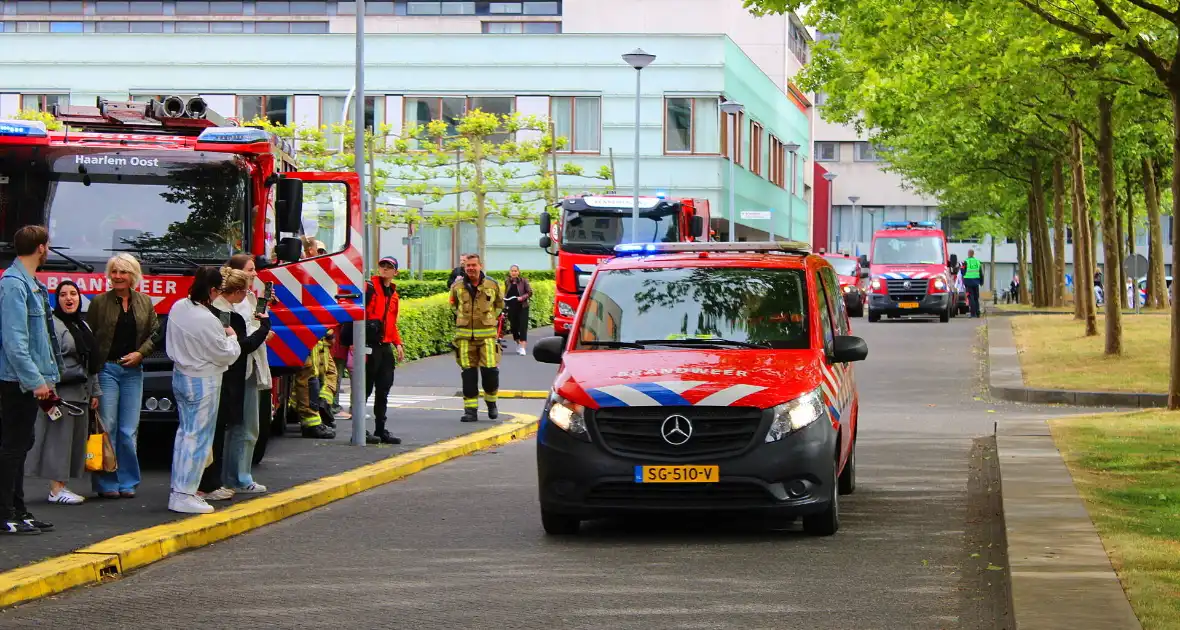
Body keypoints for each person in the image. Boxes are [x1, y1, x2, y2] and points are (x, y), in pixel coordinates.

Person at [166, 266, 241, 514]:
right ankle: (185, 493)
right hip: (204, 380)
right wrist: (232, 337)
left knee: (184, 434)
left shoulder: (179, 307)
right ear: (211, 290)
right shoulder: (206, 319)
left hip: (181, 375)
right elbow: (226, 353)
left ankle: (180, 488)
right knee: (198, 438)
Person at [0, 225, 60, 534]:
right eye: (47, 245)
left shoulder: (32, 284)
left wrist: (44, 379)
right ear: (40, 247)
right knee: (12, 446)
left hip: (28, 378)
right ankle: (5, 513)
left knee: (22, 444)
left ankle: (18, 509)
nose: (48, 249)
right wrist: (36, 381)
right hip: (15, 380)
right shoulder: (13, 284)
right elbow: (14, 342)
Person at [86, 254, 160, 499]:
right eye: (114, 271)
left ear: (133, 276)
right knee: (108, 427)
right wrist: (92, 377)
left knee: (128, 430)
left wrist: (141, 353)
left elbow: (155, 334)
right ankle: (107, 483)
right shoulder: (99, 302)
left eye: (123, 272)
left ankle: (128, 481)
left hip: (132, 372)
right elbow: (91, 339)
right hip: (107, 370)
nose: (117, 276)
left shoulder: (145, 302)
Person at [199, 268, 271, 502]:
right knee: (217, 432)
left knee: (215, 432)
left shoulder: (211, 309)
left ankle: (212, 482)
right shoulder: (226, 315)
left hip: (216, 376)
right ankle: (209, 484)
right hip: (226, 379)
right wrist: (264, 328)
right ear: (237, 292)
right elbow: (242, 347)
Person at [26, 281, 101, 505]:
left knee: (73, 442)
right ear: (56, 300)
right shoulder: (53, 326)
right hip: (63, 394)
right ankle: (56, 489)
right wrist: (51, 395)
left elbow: (91, 362)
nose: (69, 298)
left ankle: (62, 485)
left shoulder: (82, 325)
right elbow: (46, 360)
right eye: (63, 295)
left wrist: (95, 391)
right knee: (58, 441)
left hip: (82, 393)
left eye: (73, 294)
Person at [220, 255, 273, 495]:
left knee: (244, 425)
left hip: (249, 368)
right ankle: (238, 477)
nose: (255, 274)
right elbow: (238, 337)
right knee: (242, 425)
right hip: (239, 368)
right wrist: (262, 330)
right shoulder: (226, 305)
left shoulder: (251, 298)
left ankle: (235, 475)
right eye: (250, 270)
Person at [450, 254, 504, 423]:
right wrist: (463, 320)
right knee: (468, 374)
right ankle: (470, 410)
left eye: (474, 265)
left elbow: (499, 305)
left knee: (490, 372)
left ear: (481, 265)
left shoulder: (492, 284)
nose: (471, 268)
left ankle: (491, 403)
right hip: (464, 338)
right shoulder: (457, 286)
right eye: (468, 265)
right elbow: (453, 306)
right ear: (464, 267)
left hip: (487, 336)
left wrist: (488, 321)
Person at [365, 256, 405, 444]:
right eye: (382, 266)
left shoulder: (393, 294)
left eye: (389, 267)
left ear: (395, 272)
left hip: (385, 346)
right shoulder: (370, 288)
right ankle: (360, 431)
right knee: (364, 389)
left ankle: (380, 430)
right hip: (370, 346)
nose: (385, 269)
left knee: (383, 389)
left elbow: (392, 324)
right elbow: (359, 314)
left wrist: (398, 344)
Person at [504, 265, 533, 356]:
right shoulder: (507, 281)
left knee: (523, 327)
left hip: (522, 307)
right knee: (514, 327)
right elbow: (506, 293)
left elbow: (530, 292)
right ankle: (519, 344)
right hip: (511, 307)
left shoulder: (523, 281)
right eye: (512, 271)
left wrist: (522, 298)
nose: (514, 272)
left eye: (515, 271)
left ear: (518, 272)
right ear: (510, 272)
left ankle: (523, 347)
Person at [962, 248, 983, 318]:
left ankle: (973, 313)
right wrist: (981, 282)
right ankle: (978, 313)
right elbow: (981, 273)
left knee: (971, 298)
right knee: (976, 298)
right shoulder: (978, 262)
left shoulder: (965, 262)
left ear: (968, 254)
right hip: (976, 282)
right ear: (973, 254)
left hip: (968, 282)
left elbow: (962, 272)